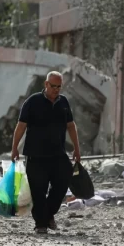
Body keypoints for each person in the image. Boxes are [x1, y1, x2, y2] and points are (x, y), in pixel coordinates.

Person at [11, 71, 81, 234]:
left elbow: (71, 126)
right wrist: (14, 148)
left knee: (63, 184)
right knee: (38, 190)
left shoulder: (63, 103)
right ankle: (41, 224)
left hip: (58, 154)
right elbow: (21, 126)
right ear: (46, 84)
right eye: (53, 86)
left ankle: (48, 214)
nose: (56, 90)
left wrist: (77, 149)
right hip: (36, 156)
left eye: (59, 86)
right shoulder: (32, 102)